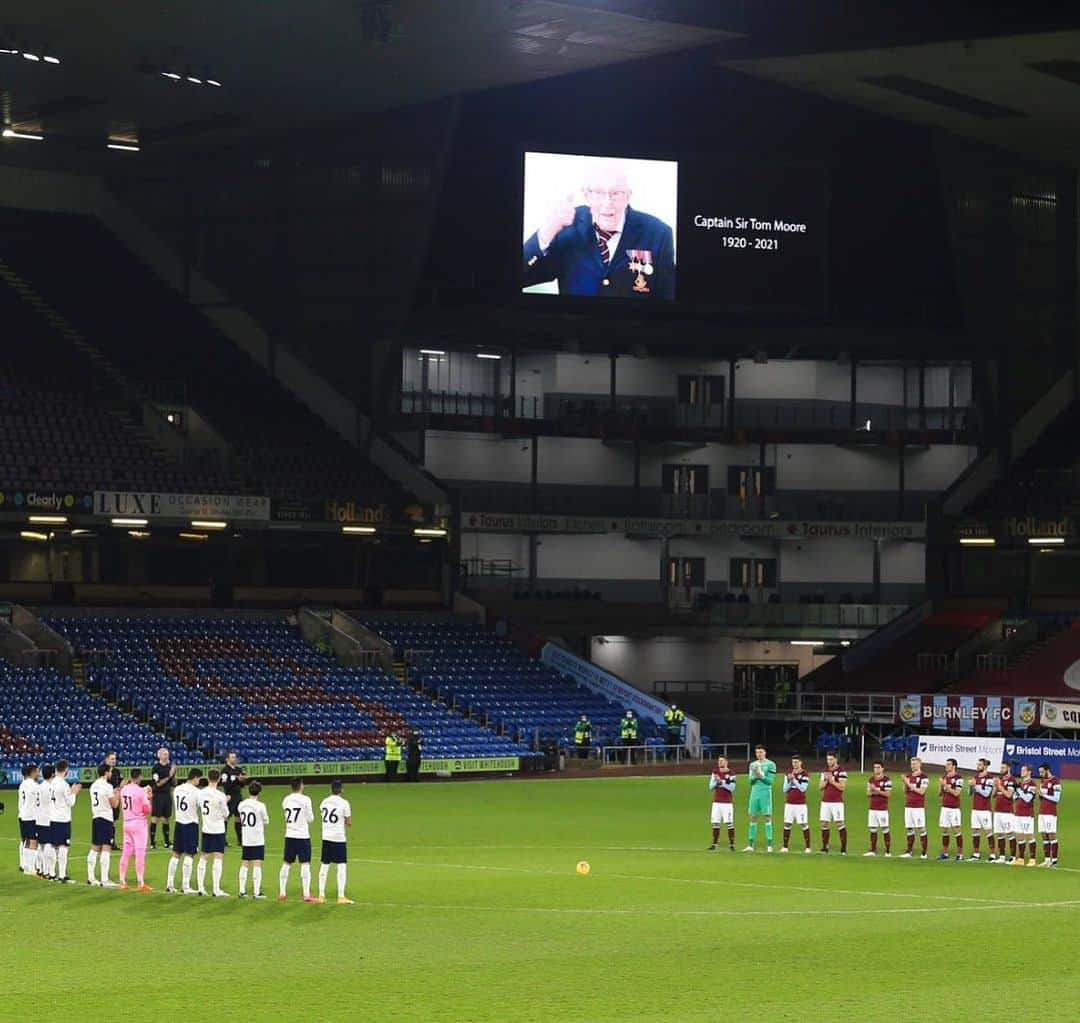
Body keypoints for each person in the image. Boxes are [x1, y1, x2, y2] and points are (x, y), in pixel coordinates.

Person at [523, 160, 676, 299]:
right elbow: (518, 279)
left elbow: (668, 298)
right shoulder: (565, 226)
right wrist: (546, 232)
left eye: (616, 193)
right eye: (598, 192)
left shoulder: (659, 234)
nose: (607, 203)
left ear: (628, 195)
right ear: (586, 195)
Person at [166, 768, 203, 894]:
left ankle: (170, 883)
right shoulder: (197, 792)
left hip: (179, 823)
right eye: (199, 778)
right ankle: (185, 885)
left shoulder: (177, 789)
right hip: (190, 824)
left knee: (176, 853)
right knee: (190, 854)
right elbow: (201, 807)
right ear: (195, 777)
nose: (199, 781)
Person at [280, 777, 316, 903]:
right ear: (301, 786)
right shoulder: (306, 800)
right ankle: (306, 894)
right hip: (302, 835)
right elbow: (310, 818)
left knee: (286, 863)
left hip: (289, 834)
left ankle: (282, 892)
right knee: (305, 863)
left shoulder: (286, 800)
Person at [318, 780, 355, 905]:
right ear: (341, 790)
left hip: (326, 837)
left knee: (324, 865)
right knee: (341, 866)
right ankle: (340, 896)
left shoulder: (324, 802)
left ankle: (321, 895)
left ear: (331, 789)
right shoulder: (344, 803)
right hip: (338, 838)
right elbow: (349, 822)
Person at [196, 768, 230, 897]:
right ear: (219, 779)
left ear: (207, 778)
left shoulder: (201, 793)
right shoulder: (220, 795)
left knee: (204, 857)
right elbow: (226, 814)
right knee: (218, 857)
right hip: (218, 829)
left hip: (206, 828)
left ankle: (200, 887)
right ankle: (216, 889)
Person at [117, 769, 152, 891]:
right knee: (140, 853)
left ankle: (122, 881)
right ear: (139, 777)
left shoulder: (124, 789)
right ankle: (140, 882)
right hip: (138, 824)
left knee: (126, 852)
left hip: (126, 823)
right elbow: (147, 809)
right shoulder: (140, 792)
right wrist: (148, 797)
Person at [48, 759, 81, 883]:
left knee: (53, 845)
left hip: (52, 817)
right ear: (66, 770)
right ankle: (62, 875)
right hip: (63, 818)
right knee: (63, 846)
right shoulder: (63, 784)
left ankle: (51, 873)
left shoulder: (51, 783)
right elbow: (70, 803)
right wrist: (74, 792)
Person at [88, 763, 119, 887]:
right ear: (106, 772)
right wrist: (118, 793)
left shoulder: (93, 785)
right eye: (110, 771)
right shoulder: (107, 786)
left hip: (96, 817)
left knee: (95, 847)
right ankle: (105, 879)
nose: (111, 773)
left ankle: (91, 877)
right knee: (106, 848)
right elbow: (115, 804)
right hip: (106, 818)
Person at [237, 780, 270, 899]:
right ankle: (256, 892)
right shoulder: (261, 806)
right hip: (257, 838)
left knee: (245, 862)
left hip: (246, 838)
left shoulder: (241, 804)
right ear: (259, 792)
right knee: (257, 863)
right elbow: (266, 821)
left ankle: (241, 890)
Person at [743, 744, 777, 853]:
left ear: (765, 752)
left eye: (761, 752)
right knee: (753, 817)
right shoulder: (752, 765)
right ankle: (750, 845)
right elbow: (750, 781)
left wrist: (761, 776)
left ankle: (769, 845)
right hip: (754, 793)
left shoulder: (771, 764)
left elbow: (770, 781)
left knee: (767, 817)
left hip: (765, 793)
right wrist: (755, 776)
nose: (759, 754)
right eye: (757, 752)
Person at [781, 754, 812, 853]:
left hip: (800, 804)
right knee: (787, 823)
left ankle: (808, 847)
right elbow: (784, 789)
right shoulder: (788, 774)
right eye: (793, 762)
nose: (794, 764)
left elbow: (803, 788)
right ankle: (785, 847)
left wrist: (794, 780)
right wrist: (790, 781)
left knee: (803, 824)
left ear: (801, 763)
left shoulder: (805, 774)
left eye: (796, 762)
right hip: (789, 803)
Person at [900, 756, 930, 859]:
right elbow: (905, 792)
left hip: (918, 807)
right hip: (908, 806)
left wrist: (907, 782)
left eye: (915, 764)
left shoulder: (924, 777)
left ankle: (924, 853)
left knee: (921, 828)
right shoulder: (909, 776)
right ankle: (909, 851)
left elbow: (921, 791)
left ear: (920, 764)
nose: (913, 766)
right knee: (909, 828)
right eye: (912, 764)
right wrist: (904, 783)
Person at [818, 752, 847, 854]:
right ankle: (825, 847)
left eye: (831, 759)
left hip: (837, 802)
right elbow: (820, 787)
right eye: (827, 759)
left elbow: (842, 787)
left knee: (840, 823)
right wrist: (826, 780)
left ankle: (843, 849)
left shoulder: (841, 771)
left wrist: (832, 780)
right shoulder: (825, 771)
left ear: (836, 759)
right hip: (825, 801)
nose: (829, 761)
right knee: (824, 824)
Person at [967, 758, 995, 862]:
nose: (977, 766)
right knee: (975, 831)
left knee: (988, 831)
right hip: (975, 809)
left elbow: (987, 794)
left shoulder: (989, 779)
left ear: (985, 766)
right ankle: (976, 854)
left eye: (979, 765)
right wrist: (970, 787)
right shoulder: (975, 777)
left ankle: (992, 855)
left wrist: (975, 786)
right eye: (977, 764)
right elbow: (969, 794)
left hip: (985, 809)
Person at [937, 759, 964, 862]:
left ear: (954, 766)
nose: (946, 766)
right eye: (946, 764)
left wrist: (945, 785)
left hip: (954, 808)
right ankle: (945, 853)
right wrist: (940, 785)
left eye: (948, 764)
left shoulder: (958, 778)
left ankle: (960, 854)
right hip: (945, 807)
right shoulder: (944, 778)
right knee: (945, 831)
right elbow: (940, 794)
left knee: (957, 831)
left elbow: (957, 793)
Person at [708, 755, 737, 851]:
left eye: (722, 761)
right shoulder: (715, 772)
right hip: (716, 802)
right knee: (715, 823)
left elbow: (732, 788)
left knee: (729, 823)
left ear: (726, 762)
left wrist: (722, 783)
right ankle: (714, 845)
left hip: (727, 803)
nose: (720, 763)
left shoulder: (731, 773)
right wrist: (717, 782)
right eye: (719, 761)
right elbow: (711, 787)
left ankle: (732, 845)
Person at [150, 747, 176, 850]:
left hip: (167, 794)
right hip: (158, 795)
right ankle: (152, 842)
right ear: (159, 756)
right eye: (164, 754)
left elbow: (174, 783)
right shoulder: (156, 768)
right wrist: (169, 776)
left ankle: (167, 841)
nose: (166, 756)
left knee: (166, 819)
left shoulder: (170, 767)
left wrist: (174, 774)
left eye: (167, 754)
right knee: (155, 818)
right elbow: (158, 783)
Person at [864, 760, 892, 857]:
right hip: (872, 808)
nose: (876, 769)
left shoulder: (887, 780)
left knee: (885, 828)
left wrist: (875, 790)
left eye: (878, 767)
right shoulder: (871, 780)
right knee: (873, 829)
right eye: (875, 767)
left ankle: (888, 851)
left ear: (882, 768)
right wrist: (878, 792)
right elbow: (867, 793)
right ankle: (873, 850)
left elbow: (888, 794)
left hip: (882, 809)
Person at [992, 761, 1019, 864]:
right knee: (999, 834)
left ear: (1008, 768)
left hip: (1007, 812)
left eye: (1003, 768)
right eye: (1001, 768)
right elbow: (993, 795)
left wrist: (1000, 786)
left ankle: (1013, 857)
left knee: (1010, 833)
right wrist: (995, 786)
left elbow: (1009, 795)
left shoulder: (1012, 780)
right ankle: (1002, 857)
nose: (1001, 770)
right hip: (997, 811)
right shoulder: (1000, 779)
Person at [220, 751, 247, 848]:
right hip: (229, 796)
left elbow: (243, 785)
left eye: (235, 757)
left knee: (239, 818)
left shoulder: (238, 769)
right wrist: (236, 780)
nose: (234, 759)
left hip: (238, 796)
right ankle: (222, 840)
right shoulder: (225, 770)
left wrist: (242, 780)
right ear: (227, 759)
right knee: (226, 817)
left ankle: (241, 840)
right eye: (232, 757)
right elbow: (225, 785)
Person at [1036, 762, 1061, 867]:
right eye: (1039, 772)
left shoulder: (1055, 781)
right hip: (1042, 812)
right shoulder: (1042, 781)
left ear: (1047, 770)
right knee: (1044, 835)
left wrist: (1043, 795)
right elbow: (1042, 797)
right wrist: (1039, 795)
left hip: (1050, 813)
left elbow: (1056, 799)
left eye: (1042, 772)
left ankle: (1054, 861)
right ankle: (1047, 860)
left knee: (1051, 835)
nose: (1040, 774)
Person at [1013, 764, 1038, 867]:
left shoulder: (1032, 784)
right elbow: (1015, 798)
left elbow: (1028, 799)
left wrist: (1018, 790)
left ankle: (1032, 859)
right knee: (1019, 835)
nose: (1021, 771)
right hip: (1018, 813)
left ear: (1029, 772)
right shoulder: (1022, 783)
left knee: (1029, 835)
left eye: (1024, 770)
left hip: (1027, 814)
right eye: (1021, 770)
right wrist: (1015, 790)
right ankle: (1021, 858)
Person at [17, 763, 39, 875]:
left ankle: (24, 865)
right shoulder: (34, 786)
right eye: (37, 771)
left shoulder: (22, 784)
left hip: (22, 815)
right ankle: (31, 868)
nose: (38, 773)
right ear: (33, 772)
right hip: (31, 816)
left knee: (25, 841)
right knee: (33, 842)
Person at [35, 763, 55, 878]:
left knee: (40, 846)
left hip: (39, 818)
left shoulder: (39, 787)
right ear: (52, 774)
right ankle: (48, 871)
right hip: (48, 818)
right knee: (48, 845)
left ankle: (40, 868)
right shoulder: (50, 787)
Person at [98, 751, 122, 848]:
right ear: (106, 759)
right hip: (106, 800)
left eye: (114, 759)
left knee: (113, 821)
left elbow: (120, 784)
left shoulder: (117, 772)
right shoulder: (102, 771)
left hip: (115, 798)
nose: (113, 761)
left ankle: (111, 841)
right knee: (105, 820)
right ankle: (101, 842)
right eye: (112, 759)